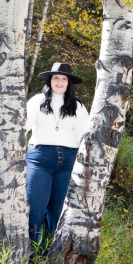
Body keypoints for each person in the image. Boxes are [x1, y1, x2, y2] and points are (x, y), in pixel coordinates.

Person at [26, 62, 89, 246]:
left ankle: (47, 253)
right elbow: (22, 127)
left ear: (68, 83)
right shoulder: (37, 101)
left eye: (64, 79)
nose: (60, 82)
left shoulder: (77, 107)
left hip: (68, 161)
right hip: (40, 159)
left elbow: (83, 137)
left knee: (57, 210)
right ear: (50, 81)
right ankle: (30, 252)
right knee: (36, 207)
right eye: (56, 78)